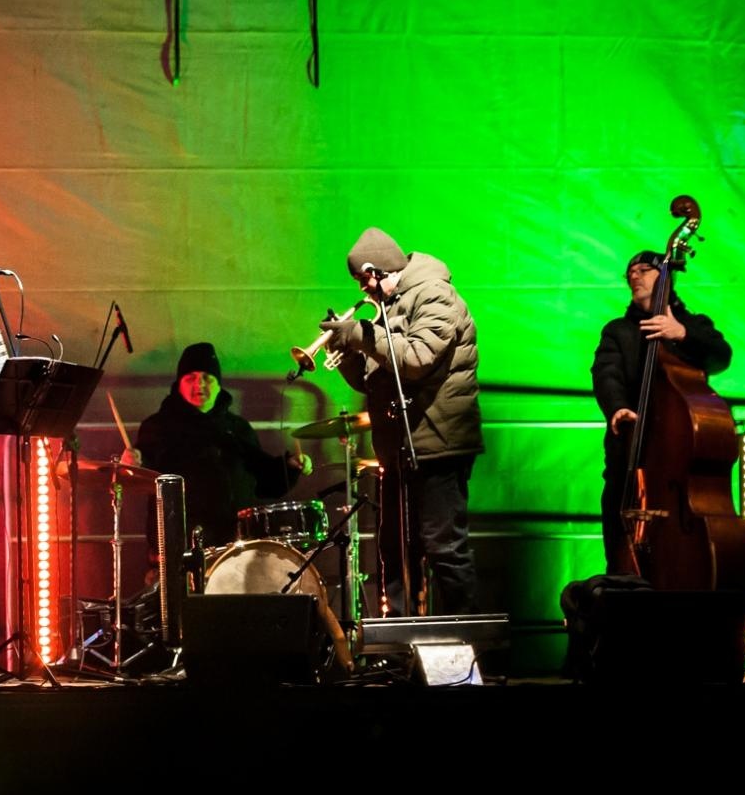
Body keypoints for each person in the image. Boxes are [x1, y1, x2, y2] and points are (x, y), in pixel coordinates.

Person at [326, 227, 483, 617]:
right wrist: (346, 352)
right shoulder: (388, 305)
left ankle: (464, 640)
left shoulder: (434, 294)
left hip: (438, 442)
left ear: (377, 270)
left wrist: (362, 334)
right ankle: (398, 639)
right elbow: (371, 381)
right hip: (399, 447)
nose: (363, 290)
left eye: (364, 280)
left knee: (442, 545)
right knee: (393, 547)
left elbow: (415, 360)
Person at [589, 249, 731, 573]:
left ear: (666, 275)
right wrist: (619, 408)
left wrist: (680, 333)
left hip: (681, 458)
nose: (634, 276)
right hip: (631, 454)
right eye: (630, 272)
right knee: (620, 537)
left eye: (643, 270)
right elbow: (605, 373)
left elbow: (720, 355)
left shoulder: (694, 325)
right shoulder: (618, 331)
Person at [129, 342, 313, 559]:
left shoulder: (237, 428)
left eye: (207, 378)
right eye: (191, 378)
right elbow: (144, 476)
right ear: (179, 384)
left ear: (218, 385)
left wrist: (289, 467)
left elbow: (264, 482)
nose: (200, 385)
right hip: (178, 551)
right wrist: (134, 463)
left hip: (234, 550)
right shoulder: (158, 427)